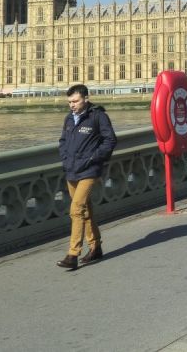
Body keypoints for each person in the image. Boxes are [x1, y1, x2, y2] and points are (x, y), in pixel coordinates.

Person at [57, 83, 117, 270]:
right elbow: (63, 141)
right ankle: (95, 246)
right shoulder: (69, 119)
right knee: (86, 210)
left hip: (89, 170)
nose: (72, 105)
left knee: (76, 209)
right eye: (69, 102)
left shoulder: (98, 117)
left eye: (75, 101)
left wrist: (94, 158)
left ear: (85, 99)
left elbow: (110, 140)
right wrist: (65, 159)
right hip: (72, 169)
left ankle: (73, 253)